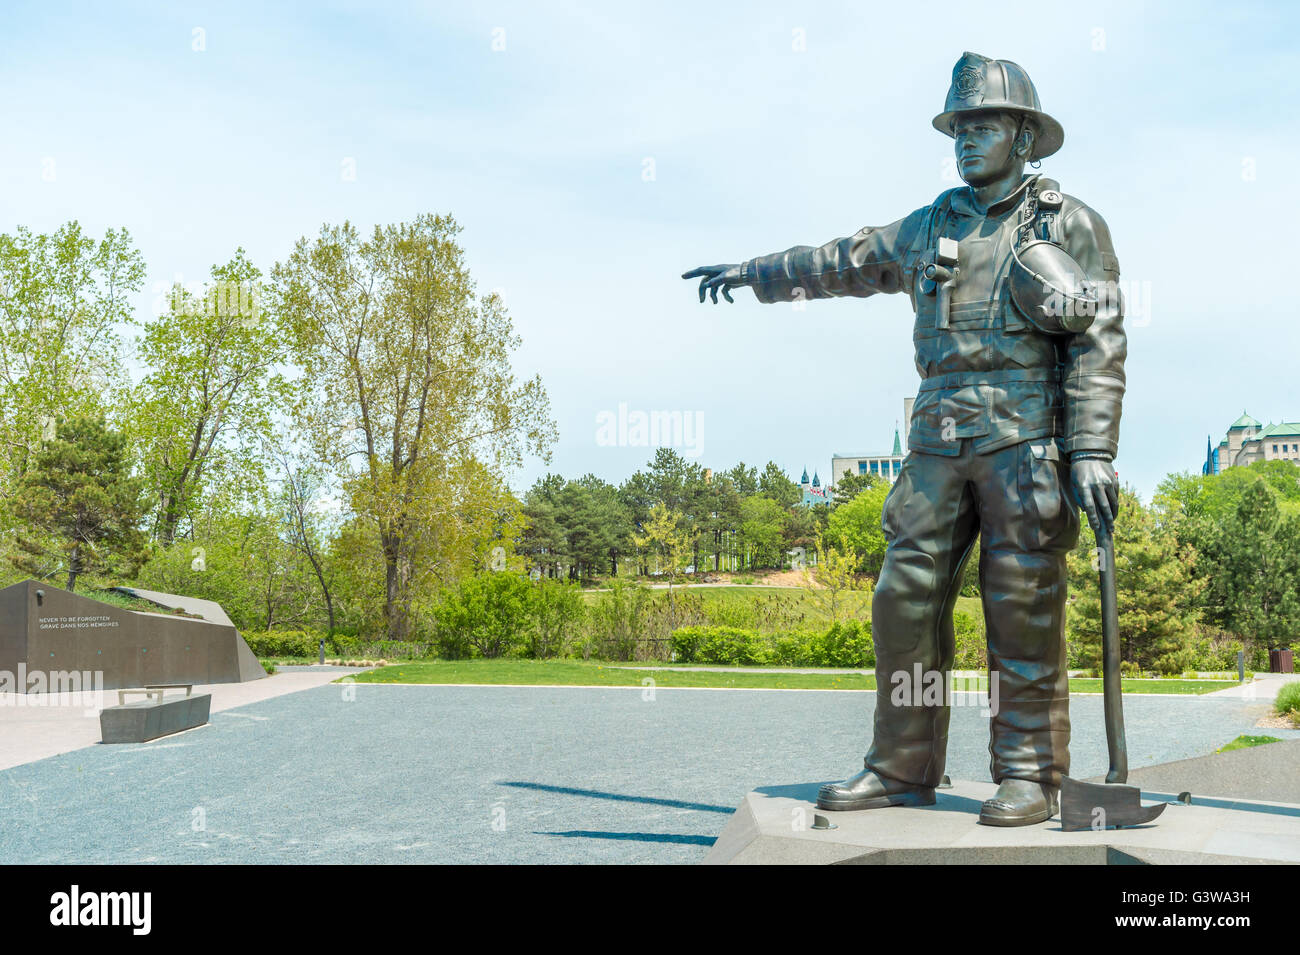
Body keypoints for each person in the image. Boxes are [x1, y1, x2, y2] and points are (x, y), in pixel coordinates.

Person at [682, 51, 1125, 827]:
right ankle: (900, 766)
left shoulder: (1068, 223)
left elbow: (1100, 339)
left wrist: (1091, 449)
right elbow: (844, 260)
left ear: (1023, 136)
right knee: (902, 599)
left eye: (982, 124)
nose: (964, 138)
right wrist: (758, 271)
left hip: (1024, 443)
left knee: (1020, 606)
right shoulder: (932, 223)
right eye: (958, 126)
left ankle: (1029, 773)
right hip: (934, 441)